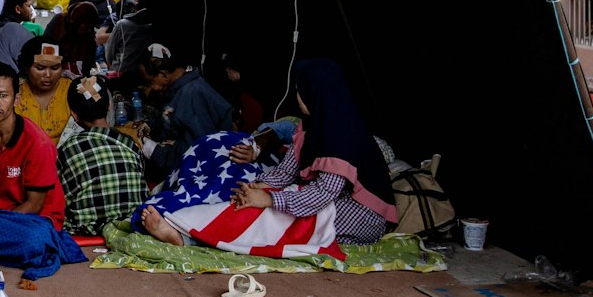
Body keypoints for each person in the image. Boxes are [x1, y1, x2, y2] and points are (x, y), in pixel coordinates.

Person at [137, 59, 396, 254]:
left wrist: (270, 200)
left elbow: (322, 195)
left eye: (300, 89)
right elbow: (286, 172)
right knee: (244, 200)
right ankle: (186, 225)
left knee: (280, 219)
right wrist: (257, 186)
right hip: (326, 198)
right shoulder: (311, 124)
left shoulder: (342, 134)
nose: (297, 95)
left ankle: (187, 237)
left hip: (361, 215)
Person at [0, 61, 65, 228]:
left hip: (34, 220)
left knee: (34, 239)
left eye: (3, 95)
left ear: (16, 99)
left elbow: (34, 205)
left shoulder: (38, 143)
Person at [57, 74, 147, 237]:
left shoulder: (68, 149)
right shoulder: (130, 144)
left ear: (74, 115)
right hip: (130, 226)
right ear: (110, 106)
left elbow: (58, 199)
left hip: (87, 231)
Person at [135, 43, 236, 185]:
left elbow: (199, 153)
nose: (149, 88)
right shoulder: (176, 88)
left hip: (200, 174)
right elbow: (170, 117)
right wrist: (151, 125)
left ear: (163, 75)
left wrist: (154, 150)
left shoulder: (192, 96)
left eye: (149, 82)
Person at [14, 38, 73, 141]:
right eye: (40, 68)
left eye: (55, 68)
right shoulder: (14, 93)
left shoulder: (72, 90)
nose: (48, 75)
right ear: (27, 68)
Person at [43, 0, 104, 77]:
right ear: (76, 23)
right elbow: (45, 50)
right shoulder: (59, 22)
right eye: (85, 25)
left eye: (90, 26)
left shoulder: (89, 35)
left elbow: (88, 62)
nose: (88, 30)